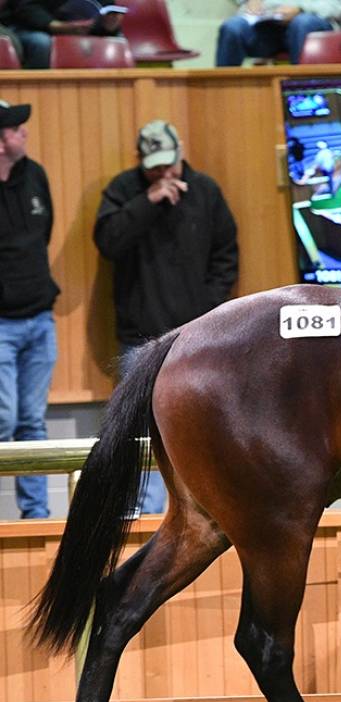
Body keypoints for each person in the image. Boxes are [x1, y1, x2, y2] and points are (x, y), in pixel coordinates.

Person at [93, 120, 239, 515]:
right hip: (139, 338)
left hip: (198, 336)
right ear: (141, 162)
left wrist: (207, 307)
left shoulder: (205, 190)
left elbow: (226, 253)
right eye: (154, 167)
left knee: (201, 425)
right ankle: (142, 513)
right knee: (139, 432)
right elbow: (108, 243)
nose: (165, 173)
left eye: (169, 165)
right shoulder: (125, 190)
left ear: (180, 152)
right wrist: (149, 201)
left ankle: (200, 508)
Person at [0, 100, 58, 518]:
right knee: (3, 422)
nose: (24, 133)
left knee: (33, 425)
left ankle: (35, 516)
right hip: (0, 324)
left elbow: (44, 233)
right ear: (1, 139)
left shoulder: (35, 174)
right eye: (18, 128)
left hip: (39, 319)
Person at [215, 0, 341, 67]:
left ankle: (299, 94)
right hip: (267, 23)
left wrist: (301, 9)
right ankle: (220, 97)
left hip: (314, 21)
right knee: (232, 27)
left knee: (301, 23)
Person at [0, 0, 123, 69]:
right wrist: (55, 25)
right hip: (28, 27)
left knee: (118, 40)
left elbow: (106, 9)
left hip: (82, 27)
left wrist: (109, 27)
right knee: (41, 42)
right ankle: (39, 89)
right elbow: (24, 9)